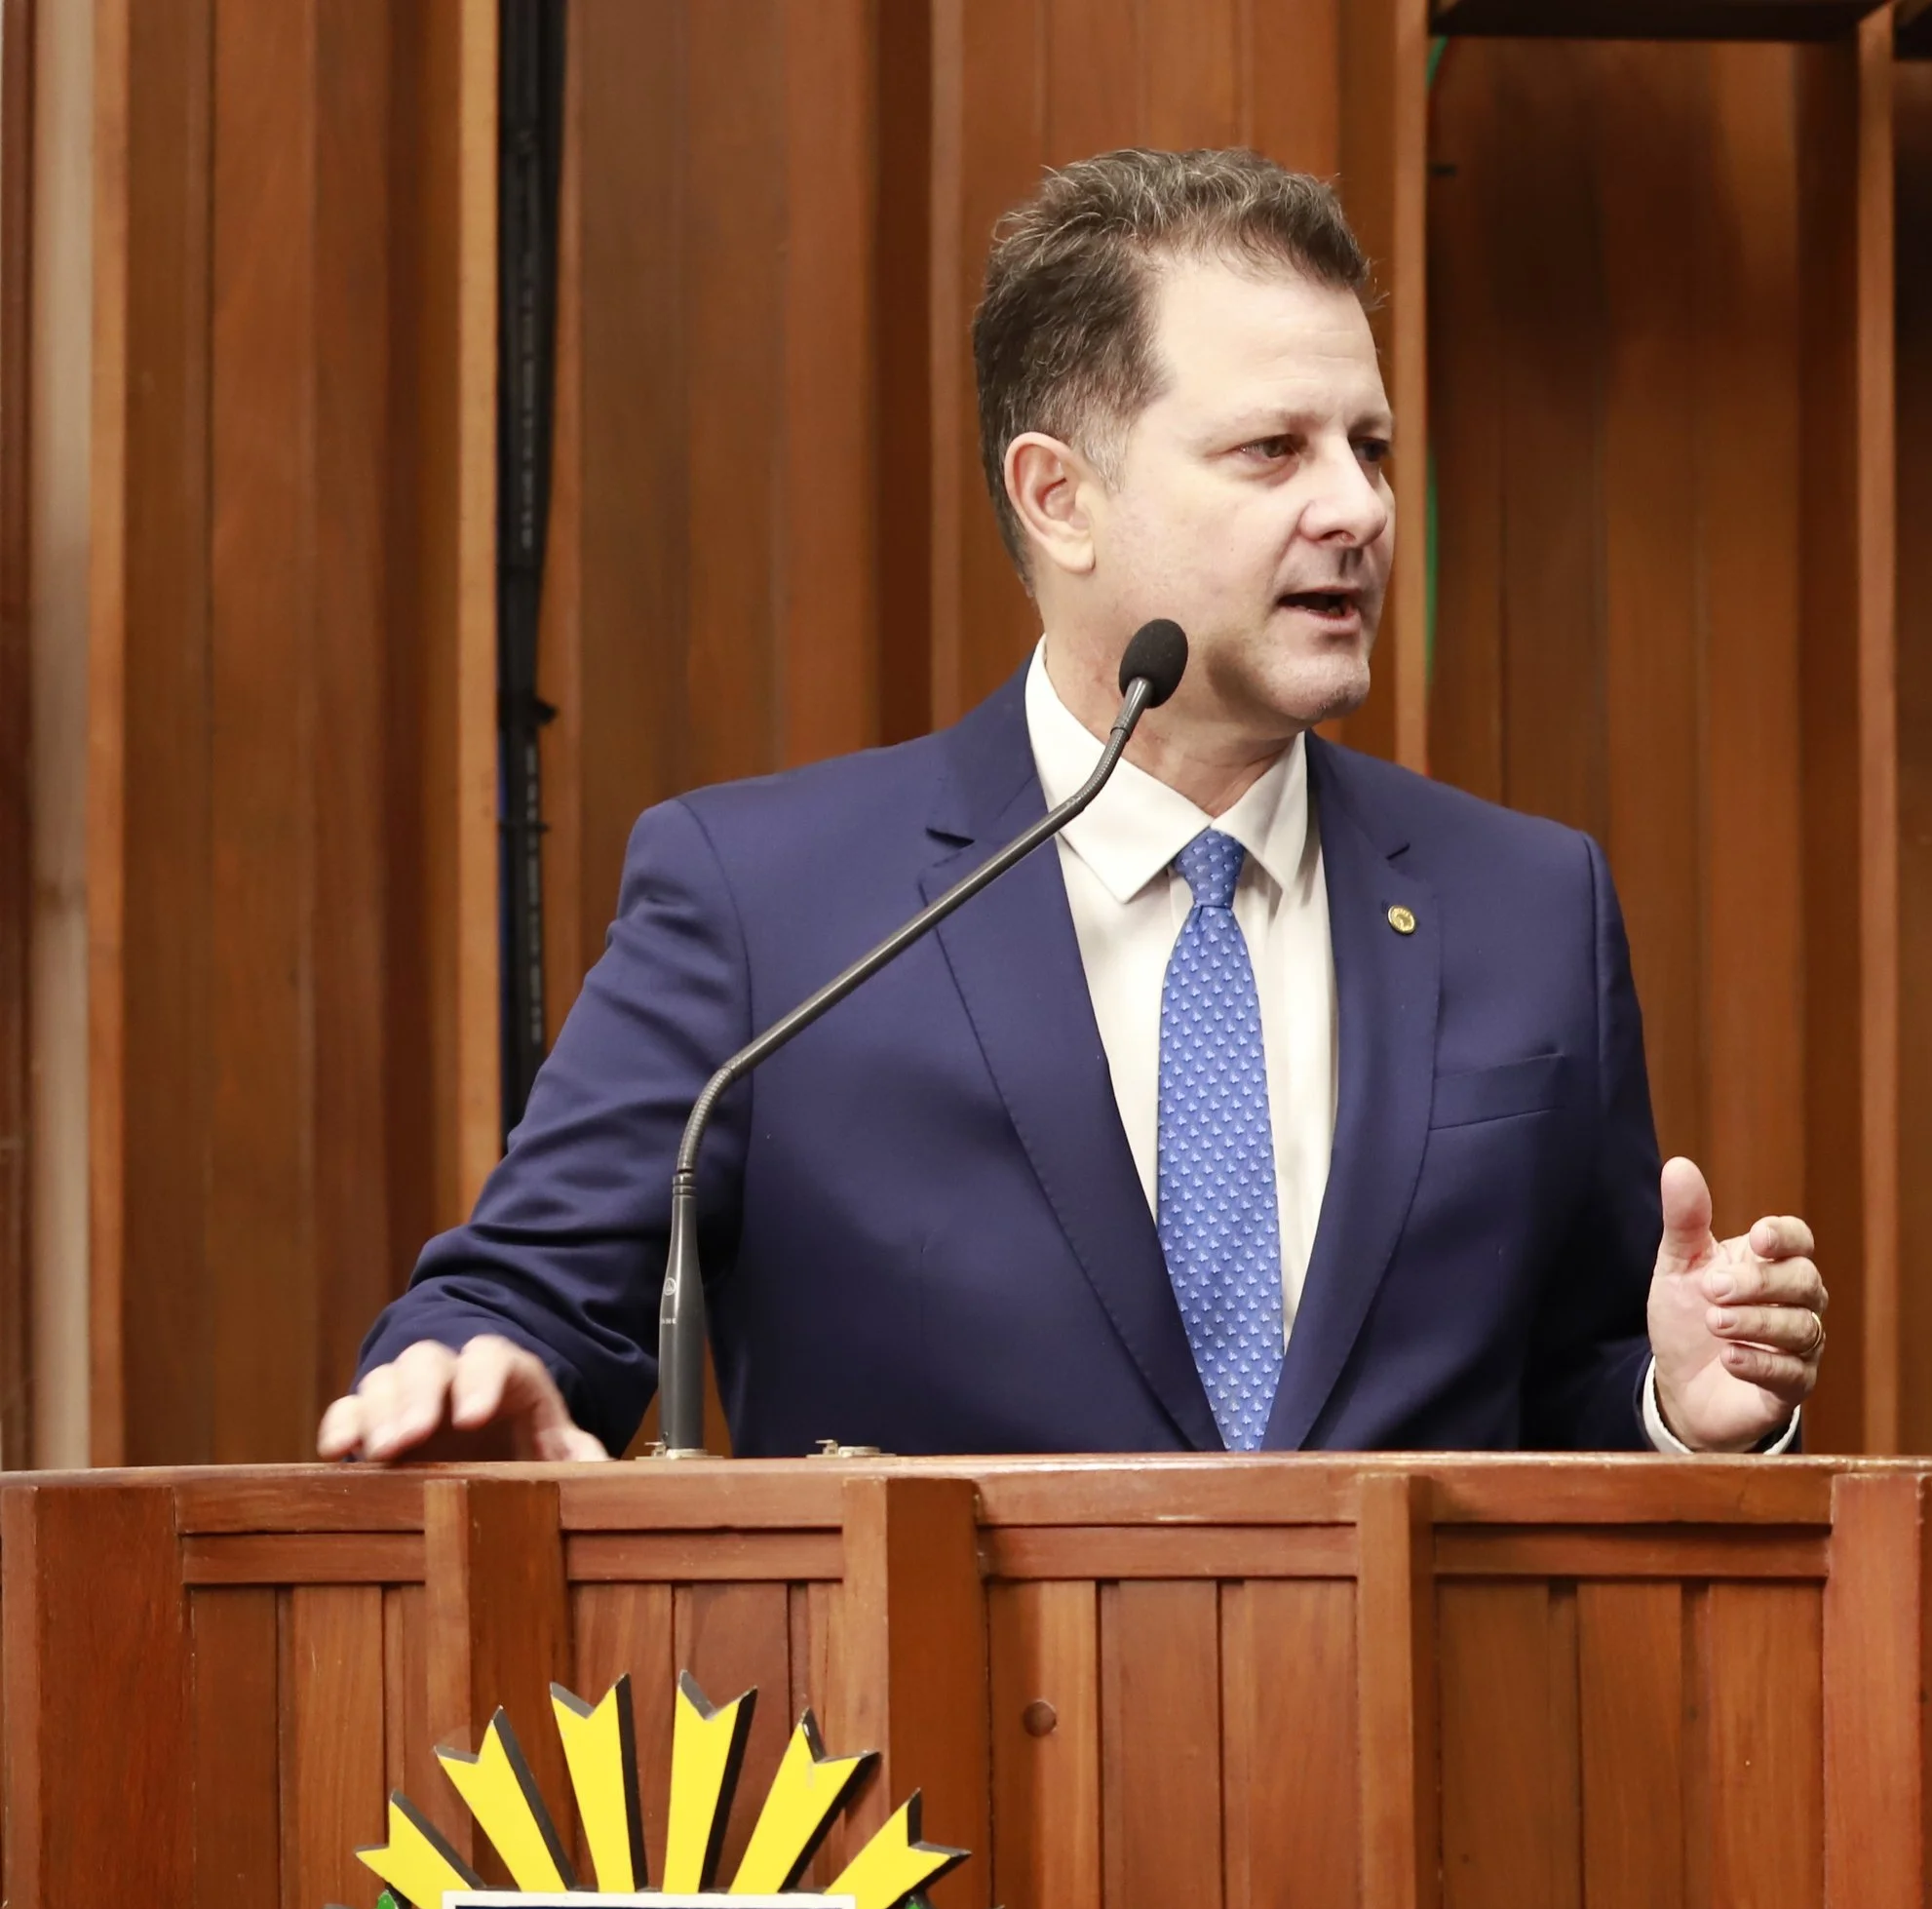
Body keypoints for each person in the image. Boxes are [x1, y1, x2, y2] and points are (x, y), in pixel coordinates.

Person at [321, 148, 1826, 1467]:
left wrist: (1677, 1406)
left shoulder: (1531, 905)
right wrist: (463, 1373)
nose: (1360, 508)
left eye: (1368, 446)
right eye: (1273, 450)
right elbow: (515, 1304)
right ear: (1060, 498)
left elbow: (1568, 1386)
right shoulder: (766, 904)